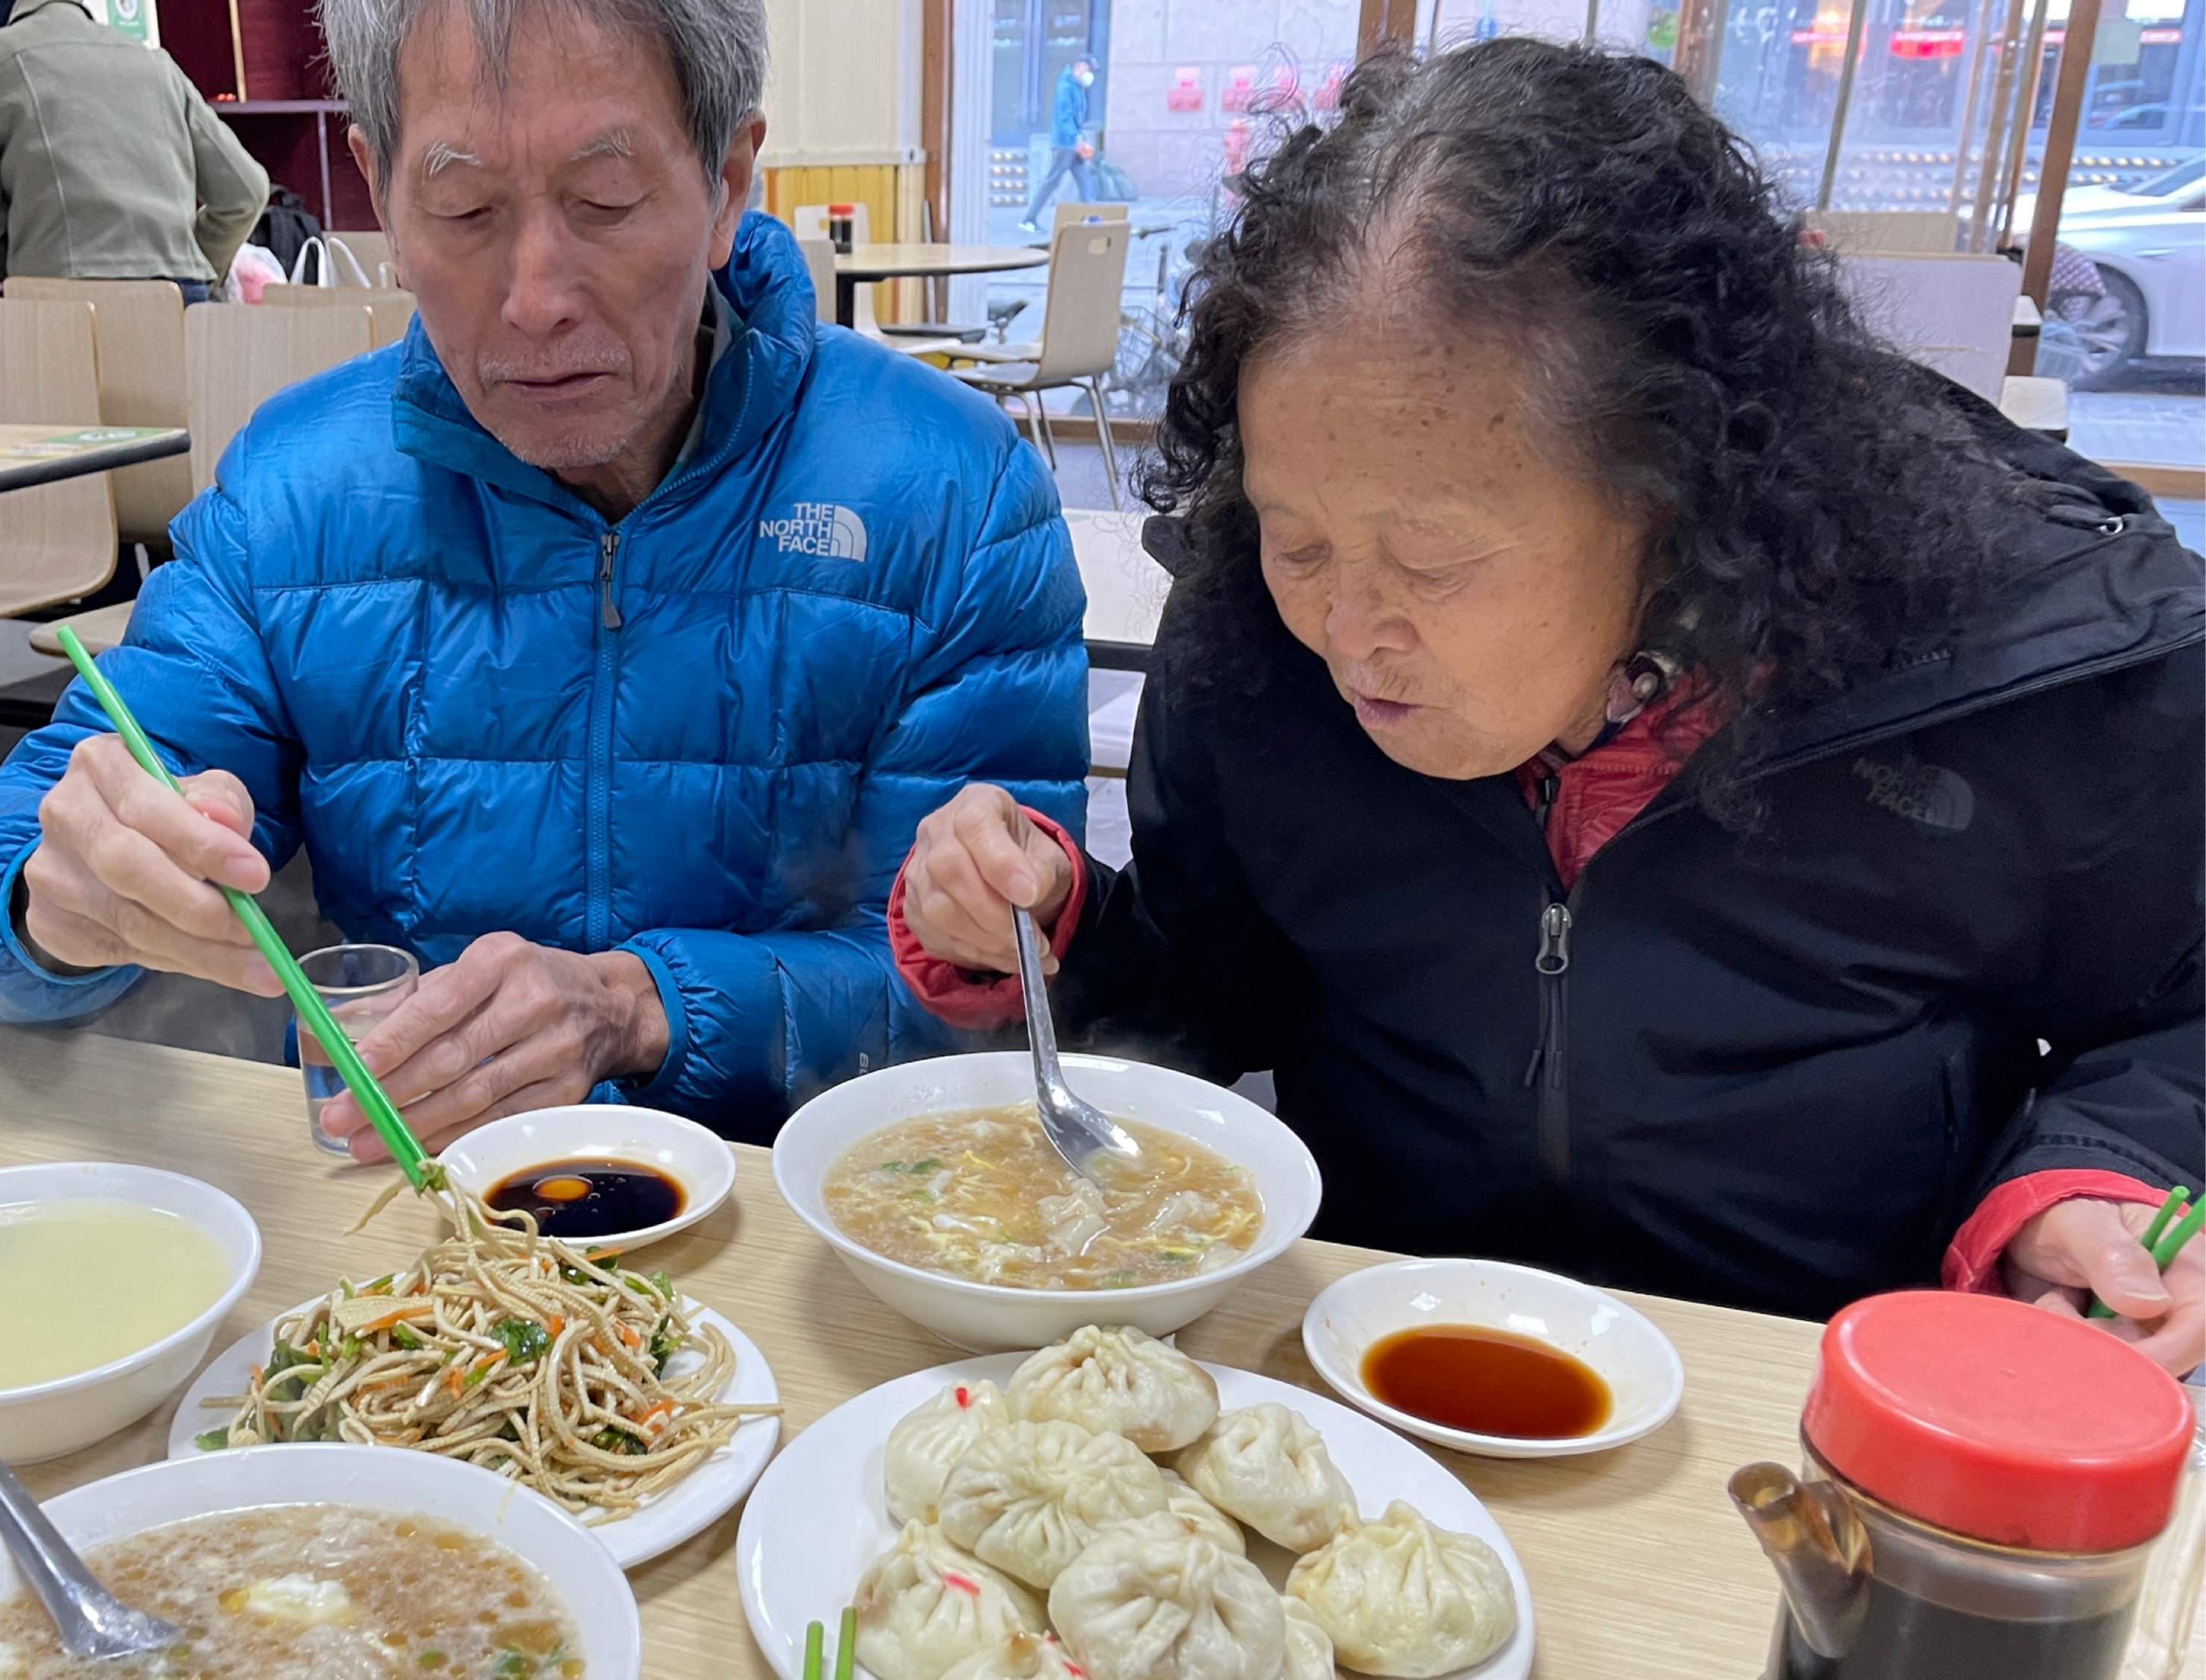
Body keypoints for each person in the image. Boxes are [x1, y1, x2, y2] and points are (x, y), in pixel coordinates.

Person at [893, 41, 2205, 1371]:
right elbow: (1210, 996)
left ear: (1677, 485)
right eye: (1301, 541)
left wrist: (2093, 1173)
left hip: (1820, 1389)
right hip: (1375, 1358)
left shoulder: (2013, 646)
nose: (1348, 635)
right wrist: (1053, 926)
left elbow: (2179, 1010)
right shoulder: (1249, 630)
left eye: (1432, 562)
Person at [0, 0, 1085, 1148]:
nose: (534, 300)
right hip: (414, 1234)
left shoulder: (947, 493)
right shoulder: (300, 492)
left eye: (606, 198)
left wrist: (640, 1006)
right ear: (379, 191)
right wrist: (51, 904)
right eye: (461, 208)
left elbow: (978, 1006)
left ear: (727, 184)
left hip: (805, 1235)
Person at [0, 0, 270, 304]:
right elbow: (248, 192)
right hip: (178, 299)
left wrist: (31, 268)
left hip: (62, 304)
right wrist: (192, 265)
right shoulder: (156, 63)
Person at [1020, 56, 1100, 232]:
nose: (1090, 76)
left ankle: (1094, 217)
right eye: (1089, 71)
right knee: (1052, 181)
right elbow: (1065, 117)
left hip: (1072, 144)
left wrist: (1078, 139)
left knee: (1084, 180)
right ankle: (1029, 219)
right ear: (1079, 67)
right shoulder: (1066, 87)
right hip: (1065, 144)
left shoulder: (1076, 88)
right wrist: (1076, 138)